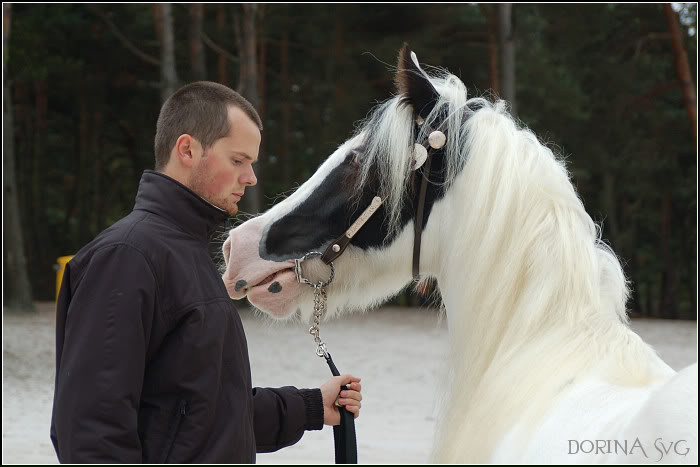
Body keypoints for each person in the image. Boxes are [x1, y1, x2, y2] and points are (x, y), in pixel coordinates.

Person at [50, 81, 363, 463]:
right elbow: (92, 431)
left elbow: (206, 414)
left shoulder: (188, 254)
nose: (251, 178)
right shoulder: (127, 257)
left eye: (251, 163)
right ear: (187, 149)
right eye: (238, 160)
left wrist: (311, 406)